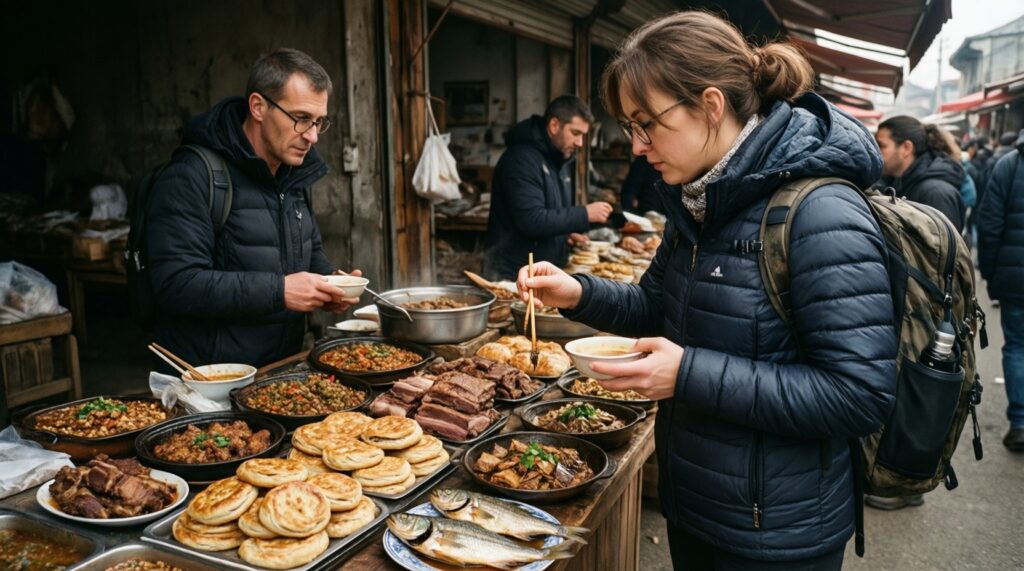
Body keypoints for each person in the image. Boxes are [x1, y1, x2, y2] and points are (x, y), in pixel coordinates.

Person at [519, 11, 897, 570]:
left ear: (711, 105)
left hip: (776, 535)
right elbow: (656, 306)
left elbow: (859, 395)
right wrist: (577, 292)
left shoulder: (821, 211)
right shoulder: (699, 202)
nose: (638, 146)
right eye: (629, 127)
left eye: (647, 123)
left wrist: (687, 374)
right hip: (696, 508)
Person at [146, 48, 359, 369]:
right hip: (212, 379)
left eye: (319, 122)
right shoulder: (192, 175)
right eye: (301, 119)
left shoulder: (294, 175)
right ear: (258, 107)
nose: (313, 136)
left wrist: (329, 285)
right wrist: (279, 291)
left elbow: (309, 252)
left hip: (278, 370)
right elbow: (176, 284)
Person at [483, 96, 613, 279]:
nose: (580, 143)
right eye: (575, 133)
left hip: (542, 271)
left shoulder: (559, 160)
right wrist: (584, 214)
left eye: (583, 135)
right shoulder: (521, 159)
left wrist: (564, 236)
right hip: (512, 274)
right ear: (554, 125)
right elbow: (531, 220)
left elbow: (551, 212)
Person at [976, 128, 1024, 453]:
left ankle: (1020, 424)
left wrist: (991, 274)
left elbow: (990, 224)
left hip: (1015, 278)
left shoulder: (1009, 165)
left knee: (1017, 346)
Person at [875, 116, 965, 231]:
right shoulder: (896, 183)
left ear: (906, 148)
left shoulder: (936, 193)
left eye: (881, 146)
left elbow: (943, 241)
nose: (876, 151)